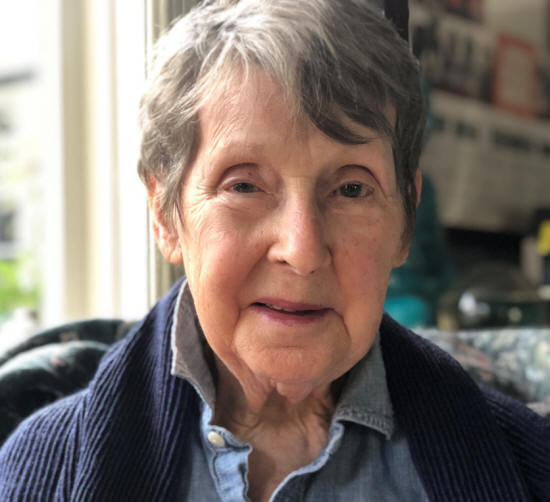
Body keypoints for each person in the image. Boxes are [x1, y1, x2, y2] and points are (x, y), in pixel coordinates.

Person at [0, 1, 548, 500]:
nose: (301, 250)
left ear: (405, 222)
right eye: (243, 185)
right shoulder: (45, 470)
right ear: (165, 215)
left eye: (351, 189)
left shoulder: (530, 465)